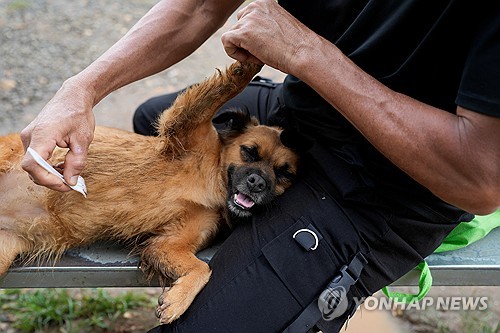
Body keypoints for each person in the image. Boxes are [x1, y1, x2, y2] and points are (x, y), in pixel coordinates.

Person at [20, 0, 500, 332]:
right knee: (155, 119)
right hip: (307, 108)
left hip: (386, 182)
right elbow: (198, 8)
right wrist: (79, 90)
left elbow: (479, 180)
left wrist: (304, 53)